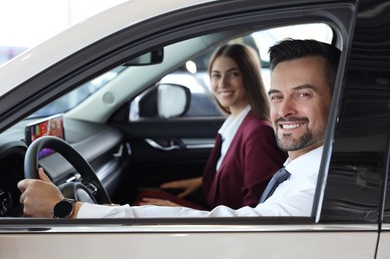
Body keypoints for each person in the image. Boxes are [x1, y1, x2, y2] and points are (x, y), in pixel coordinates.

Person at [18, 38, 341, 218]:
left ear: (340, 101)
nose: (283, 110)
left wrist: (68, 209)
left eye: (303, 94)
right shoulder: (298, 169)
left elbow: (243, 224)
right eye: (277, 96)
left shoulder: (316, 186)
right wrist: (197, 184)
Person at [135, 43, 286, 210]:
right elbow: (236, 173)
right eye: (216, 75)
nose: (223, 83)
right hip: (219, 215)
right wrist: (203, 182)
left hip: (229, 227)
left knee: (142, 205)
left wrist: (182, 212)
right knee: (145, 199)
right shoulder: (237, 123)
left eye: (233, 74)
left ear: (249, 77)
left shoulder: (258, 132)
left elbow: (255, 209)